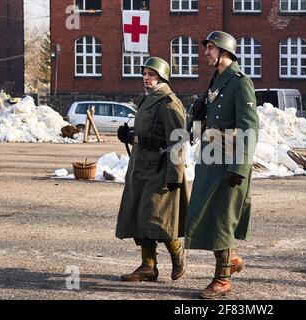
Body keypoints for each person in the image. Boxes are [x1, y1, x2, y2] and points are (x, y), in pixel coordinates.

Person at [185, 31, 259, 299]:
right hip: (210, 159)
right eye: (206, 48)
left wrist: (240, 167)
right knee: (204, 214)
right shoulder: (215, 81)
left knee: (223, 219)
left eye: (211, 48)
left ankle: (222, 279)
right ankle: (231, 259)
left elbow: (249, 127)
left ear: (225, 52)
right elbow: (205, 122)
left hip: (229, 161)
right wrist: (193, 122)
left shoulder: (241, 83)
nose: (206, 52)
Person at [115, 57, 189, 282]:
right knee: (139, 215)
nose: (146, 78)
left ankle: (178, 254)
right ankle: (148, 266)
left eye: (151, 74)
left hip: (160, 169)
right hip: (140, 166)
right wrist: (130, 136)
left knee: (157, 218)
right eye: (145, 74)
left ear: (162, 77)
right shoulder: (147, 100)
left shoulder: (168, 102)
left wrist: (175, 174)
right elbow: (149, 131)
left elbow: (178, 140)